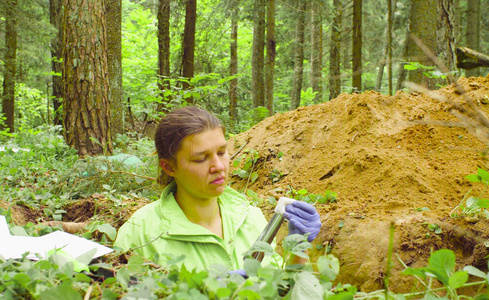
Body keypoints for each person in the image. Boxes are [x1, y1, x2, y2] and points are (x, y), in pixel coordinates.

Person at [114, 106, 322, 273]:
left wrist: (298, 248)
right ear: (169, 166)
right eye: (201, 158)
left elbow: (281, 292)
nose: (219, 166)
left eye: (222, 153)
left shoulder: (250, 218)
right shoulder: (139, 232)